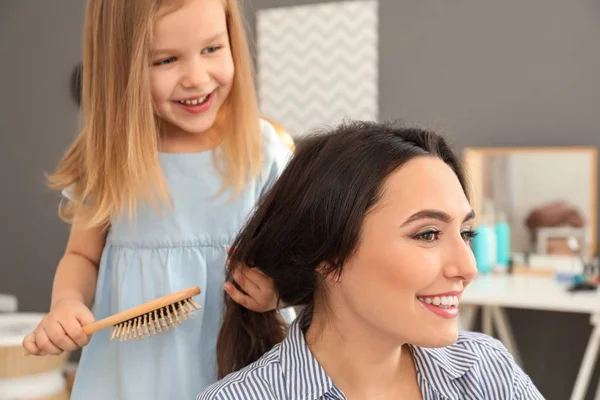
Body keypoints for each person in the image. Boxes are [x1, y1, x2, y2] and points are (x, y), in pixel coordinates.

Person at [21, 0, 292, 398]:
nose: (197, 78)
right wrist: (65, 302)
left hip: (244, 365)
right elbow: (82, 256)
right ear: (120, 68)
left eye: (212, 49)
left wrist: (278, 292)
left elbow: (302, 263)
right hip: (136, 373)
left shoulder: (261, 151)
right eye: (166, 60)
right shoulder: (111, 157)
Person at [198, 121, 544, 399]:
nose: (468, 268)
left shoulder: (487, 372)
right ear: (329, 253)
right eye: (427, 234)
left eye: (466, 233)